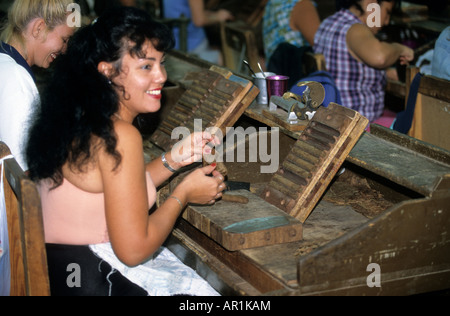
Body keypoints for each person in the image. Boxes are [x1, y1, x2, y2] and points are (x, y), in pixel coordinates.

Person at [26, 6, 225, 296]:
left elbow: (116, 188)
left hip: (66, 271)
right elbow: (134, 249)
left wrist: (172, 160)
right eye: (147, 66)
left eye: (161, 63)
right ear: (108, 70)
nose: (161, 76)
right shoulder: (120, 135)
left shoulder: (80, 116)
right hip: (90, 279)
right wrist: (184, 194)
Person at [0, 0, 75, 170]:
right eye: (64, 39)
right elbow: (22, 173)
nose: (64, 49)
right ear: (39, 28)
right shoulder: (17, 80)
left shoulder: (5, 63)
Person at [314, 0, 414, 122]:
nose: (387, 21)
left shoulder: (329, 22)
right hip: (355, 123)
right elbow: (380, 58)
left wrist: (386, 74)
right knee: (412, 123)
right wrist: (400, 48)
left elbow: (345, 69)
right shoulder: (355, 29)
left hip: (332, 115)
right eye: (387, 13)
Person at [163, 0, 234, 64]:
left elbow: (189, 11)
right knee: (227, 57)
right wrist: (219, 17)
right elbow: (199, 21)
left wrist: (215, 14)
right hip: (192, 46)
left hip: (173, 42)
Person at [263, 0, 321, 64]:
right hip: (297, 70)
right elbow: (323, 47)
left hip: (277, 70)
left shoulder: (272, 4)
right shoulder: (300, 4)